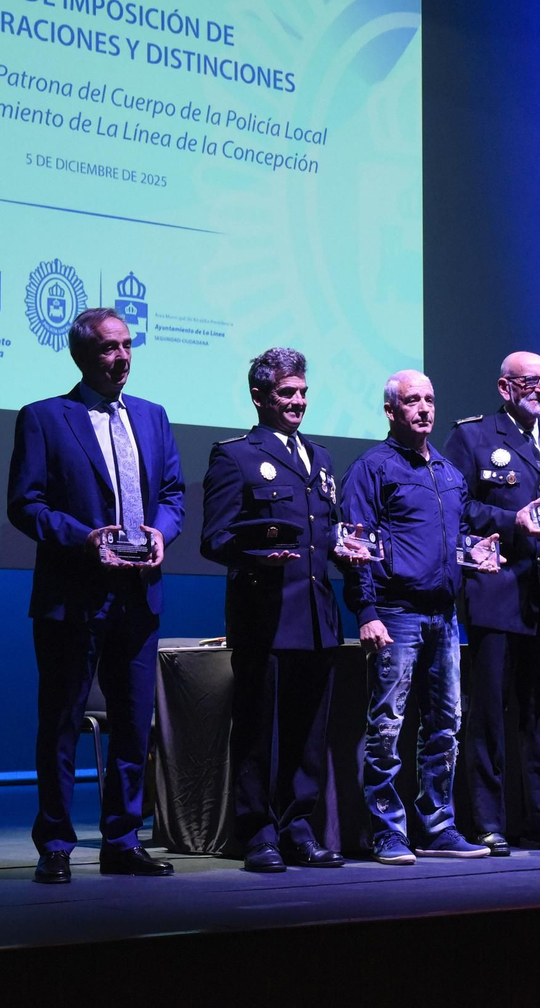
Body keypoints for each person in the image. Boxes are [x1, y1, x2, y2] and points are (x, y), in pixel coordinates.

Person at [8, 307, 185, 883]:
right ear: (82, 355)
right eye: (110, 348)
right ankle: (56, 845)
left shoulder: (153, 416)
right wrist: (84, 538)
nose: (122, 357)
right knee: (61, 723)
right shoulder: (44, 418)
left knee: (133, 725)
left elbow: (174, 494)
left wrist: (161, 532)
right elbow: (26, 505)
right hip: (73, 597)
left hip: (139, 594)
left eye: (127, 345)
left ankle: (122, 842)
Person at [201, 347, 356, 872]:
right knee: (257, 732)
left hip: (316, 617)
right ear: (259, 397)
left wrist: (347, 547)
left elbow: (324, 533)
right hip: (263, 616)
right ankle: (258, 834)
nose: (298, 401)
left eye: (303, 392)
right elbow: (214, 538)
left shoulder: (320, 457)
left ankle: (298, 829)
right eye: (287, 393)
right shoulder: (236, 456)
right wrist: (258, 556)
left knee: (307, 735)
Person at [441, 352, 540, 855]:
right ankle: (488, 823)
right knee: (489, 717)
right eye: (531, 381)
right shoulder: (473, 437)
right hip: (495, 590)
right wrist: (512, 522)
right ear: (504, 387)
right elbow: (455, 506)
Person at [341, 370, 491, 864]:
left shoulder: (448, 471)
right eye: (412, 401)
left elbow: (455, 537)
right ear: (391, 411)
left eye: (429, 399)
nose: (424, 408)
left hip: (444, 616)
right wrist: (366, 610)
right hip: (395, 613)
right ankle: (387, 831)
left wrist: (474, 554)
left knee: (445, 726)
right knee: (387, 726)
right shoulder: (372, 468)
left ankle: (436, 827)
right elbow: (356, 547)